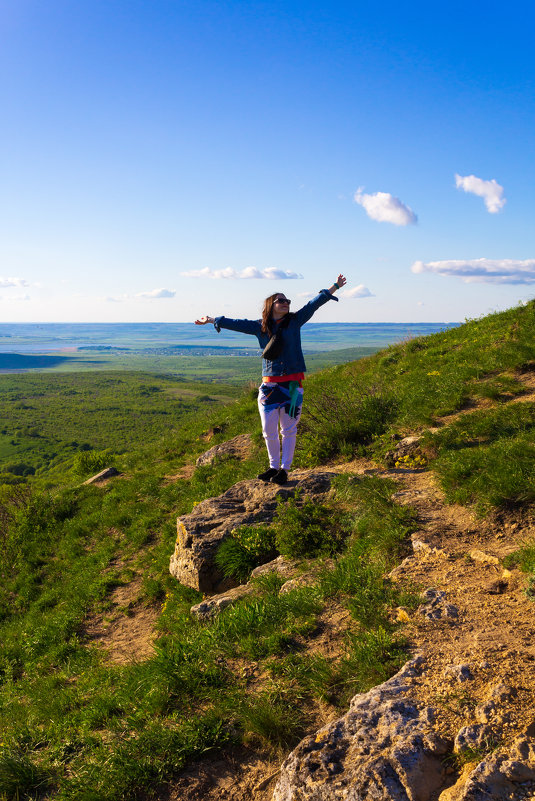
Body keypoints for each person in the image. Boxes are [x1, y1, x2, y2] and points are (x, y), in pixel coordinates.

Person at [195, 274, 347, 484]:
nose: (286, 303)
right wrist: (212, 319)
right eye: (281, 301)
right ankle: (272, 466)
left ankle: (284, 470)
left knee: (289, 430)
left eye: (287, 301)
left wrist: (334, 287)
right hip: (270, 387)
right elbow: (237, 323)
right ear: (270, 305)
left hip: (294, 387)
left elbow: (313, 305)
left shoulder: (295, 321)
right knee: (268, 430)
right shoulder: (261, 327)